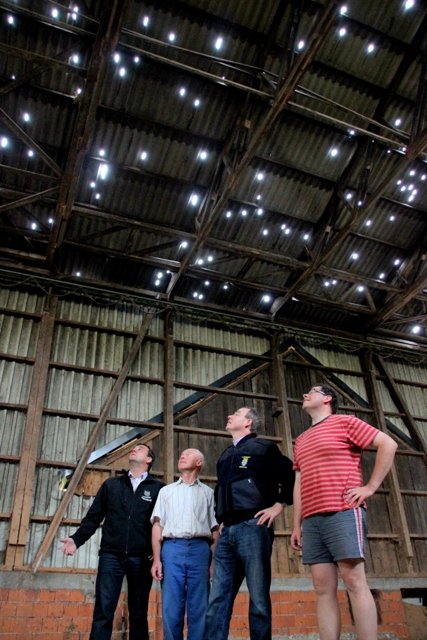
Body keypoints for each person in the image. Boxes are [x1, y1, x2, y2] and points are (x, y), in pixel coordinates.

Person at [291, 384, 398, 640]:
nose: (305, 394)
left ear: (327, 398)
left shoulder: (344, 422)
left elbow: (388, 444)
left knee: (353, 581)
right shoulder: (301, 439)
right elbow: (299, 481)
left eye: (312, 391)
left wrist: (370, 487)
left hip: (343, 511)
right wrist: (297, 524)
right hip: (313, 520)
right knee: (322, 588)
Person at [203, 407, 295, 640]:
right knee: (217, 599)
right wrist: (220, 519)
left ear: (248, 423)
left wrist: (280, 504)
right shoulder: (224, 455)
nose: (229, 415)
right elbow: (220, 491)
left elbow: (292, 475)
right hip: (228, 532)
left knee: (258, 599)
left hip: (253, 528)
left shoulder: (263, 448)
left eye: (236, 413)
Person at [60, 441, 164, 640]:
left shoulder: (159, 489)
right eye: (134, 448)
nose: (134, 449)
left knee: (139, 613)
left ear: (149, 460)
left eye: (140, 449)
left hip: (142, 558)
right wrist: (76, 540)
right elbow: (93, 516)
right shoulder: (112, 485)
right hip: (111, 556)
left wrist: (159, 551)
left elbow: (163, 524)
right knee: (103, 611)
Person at [151, 448, 219, 640]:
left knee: (200, 607)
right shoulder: (166, 491)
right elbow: (157, 526)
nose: (182, 456)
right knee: (171, 607)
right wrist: (157, 558)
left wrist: (212, 559)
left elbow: (214, 528)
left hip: (200, 549)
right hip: (172, 549)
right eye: (181, 454)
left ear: (199, 463)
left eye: (188, 454)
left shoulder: (208, 493)